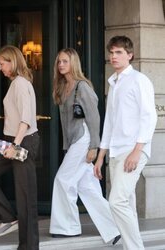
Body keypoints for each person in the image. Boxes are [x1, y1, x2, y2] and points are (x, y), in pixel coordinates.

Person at [49, 48, 120, 245]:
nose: (61, 65)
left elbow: (94, 117)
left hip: (84, 140)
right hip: (74, 141)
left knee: (62, 180)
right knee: (87, 187)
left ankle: (67, 227)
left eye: (65, 61)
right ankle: (115, 227)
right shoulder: (64, 86)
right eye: (59, 62)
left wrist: (94, 147)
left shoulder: (83, 87)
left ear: (73, 63)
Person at [94, 36, 157, 250]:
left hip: (133, 151)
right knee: (127, 204)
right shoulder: (114, 83)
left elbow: (149, 117)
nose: (114, 56)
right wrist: (101, 156)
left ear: (130, 55)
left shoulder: (139, 80)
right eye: (111, 52)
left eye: (119, 52)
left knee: (117, 202)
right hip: (115, 152)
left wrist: (137, 151)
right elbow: (110, 123)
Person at [0, 45, 40, 250]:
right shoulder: (15, 84)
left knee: (25, 196)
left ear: (12, 61)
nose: (0, 68)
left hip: (22, 141)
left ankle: (29, 247)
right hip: (11, 140)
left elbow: (26, 119)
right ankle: (8, 217)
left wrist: (15, 145)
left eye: (2, 64)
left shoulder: (21, 84)